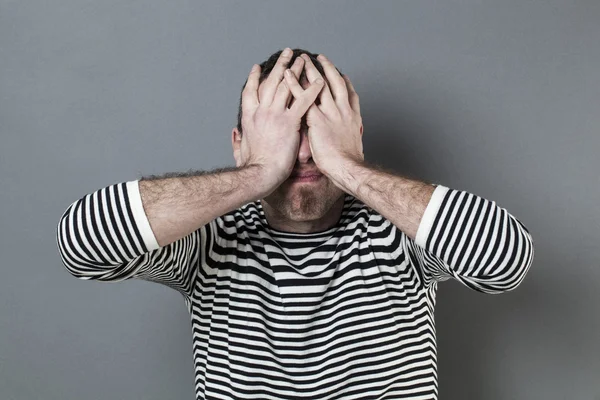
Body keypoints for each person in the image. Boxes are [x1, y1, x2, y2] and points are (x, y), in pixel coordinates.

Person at [56, 47, 535, 400]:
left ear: (353, 136)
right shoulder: (210, 237)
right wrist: (259, 173)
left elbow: (509, 260)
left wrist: (347, 166)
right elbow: (80, 242)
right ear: (241, 142)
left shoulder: (400, 232)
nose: (303, 151)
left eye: (317, 130)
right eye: (284, 130)